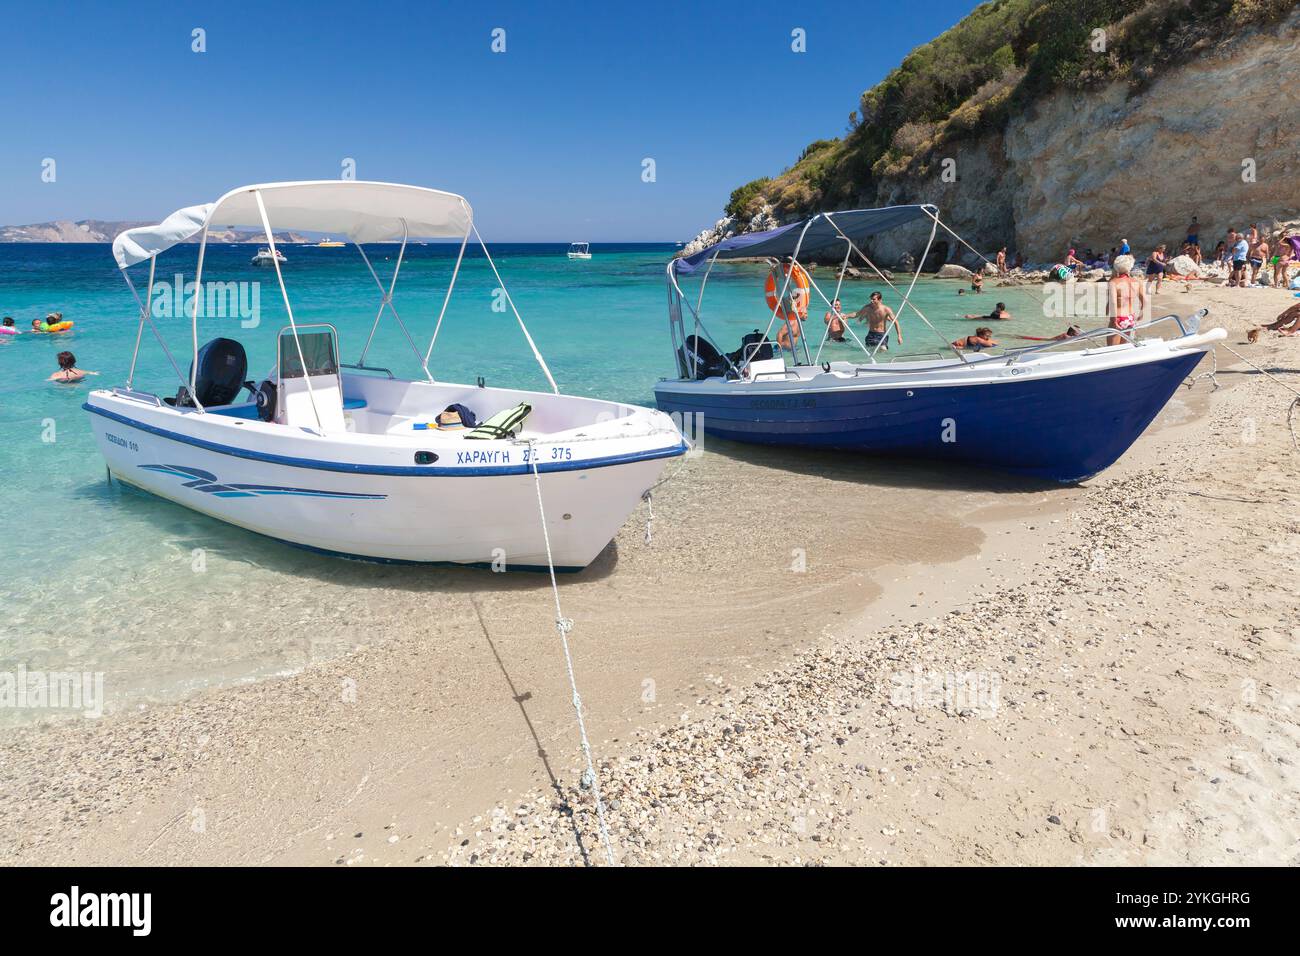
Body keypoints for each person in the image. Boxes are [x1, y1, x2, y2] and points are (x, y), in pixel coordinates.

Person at [1107, 254, 1145, 346]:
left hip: (1118, 317)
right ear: (1129, 267)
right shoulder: (1136, 282)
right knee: (1124, 347)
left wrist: (1113, 320)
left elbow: (1113, 302)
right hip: (1130, 317)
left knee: (1111, 350)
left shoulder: (1113, 282)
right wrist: (1142, 312)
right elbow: (1144, 300)